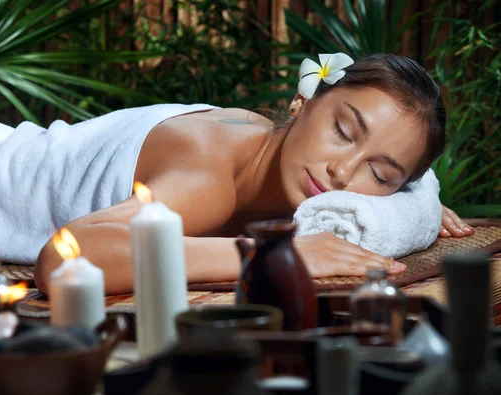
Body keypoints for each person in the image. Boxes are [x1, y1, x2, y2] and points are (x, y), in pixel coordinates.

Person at [33, 53, 474, 295]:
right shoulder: (210, 174)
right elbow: (62, 260)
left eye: (379, 175)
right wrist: (275, 254)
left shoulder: (273, 151)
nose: (342, 171)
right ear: (303, 101)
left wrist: (418, 211)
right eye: (343, 131)